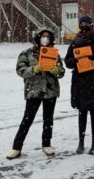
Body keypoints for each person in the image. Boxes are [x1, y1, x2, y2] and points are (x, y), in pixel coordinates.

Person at [6, 28, 65, 159]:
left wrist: (57, 71)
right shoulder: (27, 53)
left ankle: (46, 144)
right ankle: (17, 147)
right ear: (38, 37)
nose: (46, 38)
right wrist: (34, 69)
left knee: (48, 120)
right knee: (27, 119)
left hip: (50, 91)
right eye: (43, 36)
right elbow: (20, 70)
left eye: (48, 36)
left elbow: (62, 71)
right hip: (34, 91)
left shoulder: (54, 54)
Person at [64, 15, 94, 155]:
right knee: (82, 112)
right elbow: (67, 61)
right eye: (82, 24)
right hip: (80, 81)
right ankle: (81, 141)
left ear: (91, 25)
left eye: (87, 24)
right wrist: (75, 61)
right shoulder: (75, 42)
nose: (84, 26)